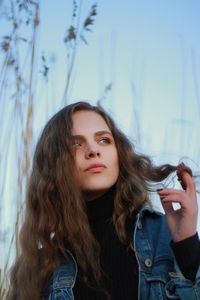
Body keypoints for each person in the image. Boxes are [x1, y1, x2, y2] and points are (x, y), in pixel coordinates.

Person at [7, 101, 200, 300]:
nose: (93, 150)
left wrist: (188, 246)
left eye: (104, 140)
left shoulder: (162, 235)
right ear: (54, 164)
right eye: (75, 144)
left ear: (119, 153)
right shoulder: (40, 267)